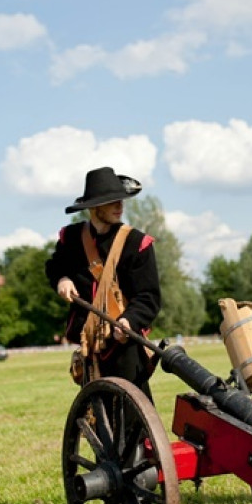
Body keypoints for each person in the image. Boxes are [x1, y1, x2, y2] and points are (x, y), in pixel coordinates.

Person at [45, 167, 161, 398]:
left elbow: (148, 297)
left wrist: (129, 321)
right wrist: (62, 279)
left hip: (124, 343)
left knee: (132, 418)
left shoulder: (136, 243)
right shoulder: (71, 239)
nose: (120, 206)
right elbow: (54, 266)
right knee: (98, 415)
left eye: (121, 200)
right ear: (95, 207)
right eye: (112, 202)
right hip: (89, 343)